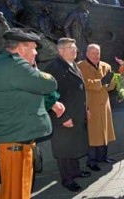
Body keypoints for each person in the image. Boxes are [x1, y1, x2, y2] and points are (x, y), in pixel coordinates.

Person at [0, 28, 57, 199]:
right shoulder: (17, 66)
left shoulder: (0, 62)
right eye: (33, 48)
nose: (36, 53)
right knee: (17, 193)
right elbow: (50, 84)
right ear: (22, 48)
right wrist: (34, 68)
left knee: (3, 190)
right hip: (16, 142)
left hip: (5, 139)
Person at [44, 38, 90, 192]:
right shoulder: (53, 68)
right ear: (60, 50)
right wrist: (62, 118)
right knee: (64, 149)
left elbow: (80, 90)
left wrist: (86, 110)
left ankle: (75, 171)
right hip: (63, 118)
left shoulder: (73, 64)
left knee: (74, 146)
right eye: (70, 47)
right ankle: (67, 179)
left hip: (76, 115)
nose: (75, 50)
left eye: (75, 47)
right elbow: (50, 96)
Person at [78, 44, 116, 171]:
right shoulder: (80, 66)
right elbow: (84, 84)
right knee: (93, 134)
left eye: (98, 53)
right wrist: (101, 82)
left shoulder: (106, 66)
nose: (96, 56)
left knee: (104, 131)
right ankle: (91, 161)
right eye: (93, 53)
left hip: (104, 104)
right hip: (91, 104)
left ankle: (103, 157)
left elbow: (110, 87)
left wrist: (112, 81)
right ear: (87, 53)